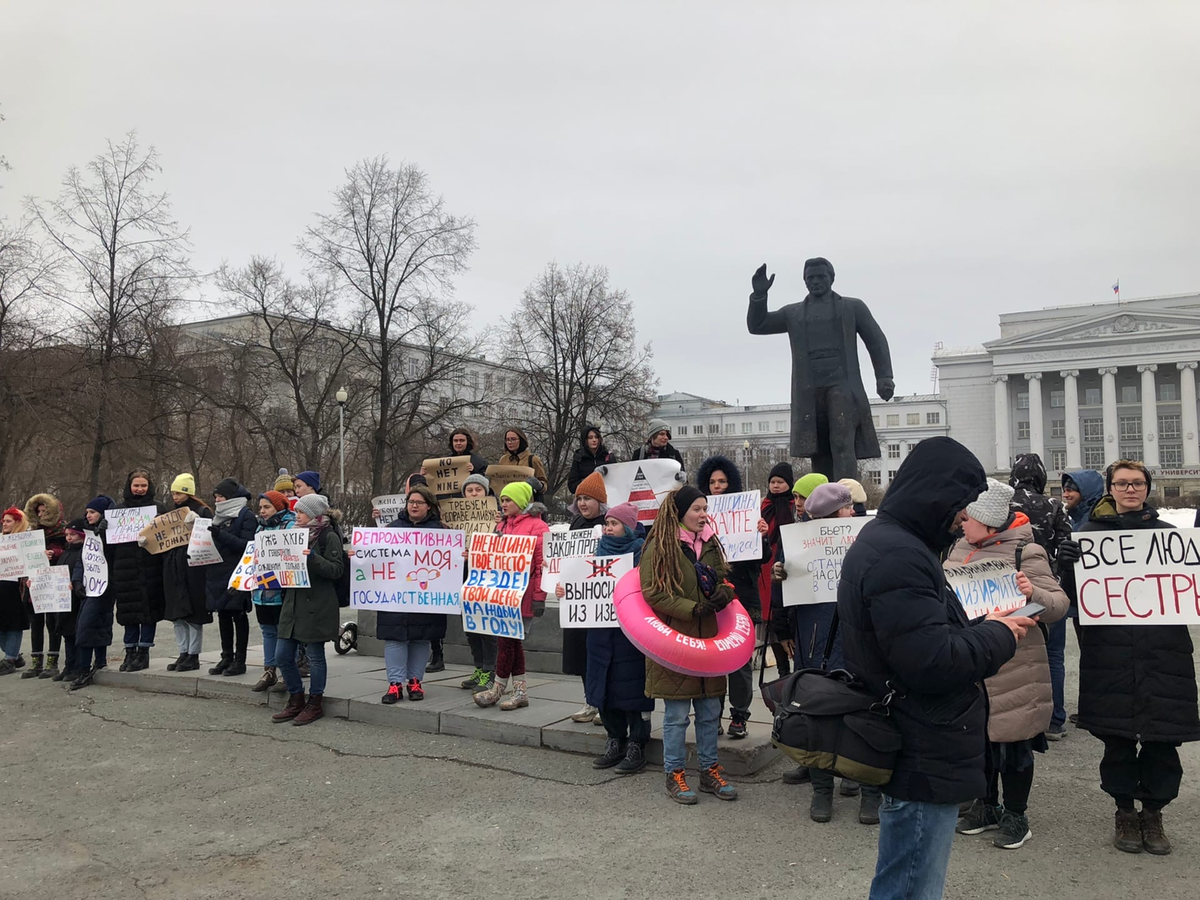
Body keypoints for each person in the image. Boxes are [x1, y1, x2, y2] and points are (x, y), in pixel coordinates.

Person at [837, 437, 1034, 900]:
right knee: (911, 886)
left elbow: (921, 638)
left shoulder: (895, 542)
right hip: (922, 745)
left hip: (915, 737)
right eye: (961, 507)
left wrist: (984, 625)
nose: (964, 520)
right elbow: (933, 662)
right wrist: (1000, 635)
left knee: (904, 876)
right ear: (935, 494)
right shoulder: (900, 554)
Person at [1057, 461, 1200, 856]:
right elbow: (1075, 599)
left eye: (1137, 483)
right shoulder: (1090, 535)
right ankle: (1124, 810)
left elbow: (1187, 591)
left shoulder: (1170, 537)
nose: (1130, 489)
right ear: (1111, 489)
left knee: (1162, 739)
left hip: (1164, 653)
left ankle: (1153, 813)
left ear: (1147, 488)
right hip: (1111, 652)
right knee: (1116, 738)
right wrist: (1065, 565)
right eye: (1122, 483)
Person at [946, 479, 1069, 850]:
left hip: (1015, 665)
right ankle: (986, 806)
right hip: (972, 661)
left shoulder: (1025, 551)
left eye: (967, 519)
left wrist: (1033, 596)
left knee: (1013, 745)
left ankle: (1017, 814)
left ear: (986, 522)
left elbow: (1058, 606)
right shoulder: (958, 547)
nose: (961, 523)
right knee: (979, 741)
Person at [774, 482, 882, 824]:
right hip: (815, 643)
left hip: (856, 640)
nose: (852, 512)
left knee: (864, 715)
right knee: (816, 714)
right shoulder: (798, 543)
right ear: (829, 514)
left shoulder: (865, 539)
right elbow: (787, 595)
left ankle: (869, 790)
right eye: (846, 508)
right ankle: (822, 790)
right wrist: (782, 574)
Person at [746, 257, 894, 480]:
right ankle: (826, 500)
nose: (815, 281)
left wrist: (884, 376)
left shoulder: (852, 307)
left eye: (820, 277)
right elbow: (758, 325)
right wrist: (759, 296)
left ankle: (847, 499)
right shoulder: (793, 313)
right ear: (804, 281)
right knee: (819, 448)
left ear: (831, 278)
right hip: (809, 388)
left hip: (842, 384)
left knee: (842, 442)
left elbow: (876, 340)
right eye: (810, 278)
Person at [640, 485, 738, 804]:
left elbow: (720, 577)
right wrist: (690, 609)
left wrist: (724, 591)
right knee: (677, 714)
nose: (703, 514)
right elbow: (653, 592)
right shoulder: (661, 545)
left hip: (709, 639)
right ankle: (675, 773)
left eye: (705, 508)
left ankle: (710, 770)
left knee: (710, 710)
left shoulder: (710, 542)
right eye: (697, 508)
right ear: (679, 512)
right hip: (675, 641)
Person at [696, 454, 764, 740]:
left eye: (722, 481)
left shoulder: (746, 514)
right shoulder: (697, 516)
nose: (717, 486)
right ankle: (714, 715)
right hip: (710, 596)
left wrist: (763, 536)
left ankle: (740, 715)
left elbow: (763, 558)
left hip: (742, 596)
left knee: (739, 661)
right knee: (713, 660)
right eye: (712, 482)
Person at [584, 502, 652, 774]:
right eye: (607, 524)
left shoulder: (641, 553)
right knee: (604, 687)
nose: (608, 528)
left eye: (613, 524)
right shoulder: (593, 553)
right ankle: (615, 738)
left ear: (628, 527)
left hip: (629, 633)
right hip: (600, 631)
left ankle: (637, 743)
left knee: (632, 688)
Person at [473, 481, 549, 710]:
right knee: (509, 641)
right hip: (502, 595)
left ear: (522, 502)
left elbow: (540, 566)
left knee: (508, 641)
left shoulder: (538, 527)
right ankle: (517, 691)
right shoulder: (502, 527)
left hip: (523, 596)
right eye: (502, 500)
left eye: (509, 500)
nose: (504, 504)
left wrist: (539, 597)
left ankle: (499, 688)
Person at [271, 492, 345, 726]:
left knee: (315, 656)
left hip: (317, 604)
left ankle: (315, 702)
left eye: (301, 511)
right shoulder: (293, 534)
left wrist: (311, 557)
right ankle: (295, 699)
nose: (297, 514)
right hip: (293, 604)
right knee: (282, 655)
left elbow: (336, 570)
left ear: (314, 513)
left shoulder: (328, 536)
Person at [1046, 468, 1105, 738]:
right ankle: (1092, 708)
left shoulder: (1097, 520)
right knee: (1090, 656)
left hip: (1099, 601)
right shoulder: (1076, 518)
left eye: (1072, 489)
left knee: (1097, 656)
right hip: (1081, 599)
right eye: (1065, 488)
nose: (1066, 493)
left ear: (1088, 492)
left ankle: (1098, 710)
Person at [377, 484, 449, 703]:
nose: (414, 506)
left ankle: (415, 681)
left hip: (426, 599)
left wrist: (461, 558)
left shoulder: (442, 531)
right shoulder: (391, 529)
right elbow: (375, 558)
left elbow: (451, 569)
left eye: (419, 502)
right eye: (411, 502)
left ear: (429, 506)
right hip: (395, 599)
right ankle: (395, 684)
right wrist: (359, 555)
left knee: (421, 639)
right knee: (394, 640)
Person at [563, 471, 608, 724]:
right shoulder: (576, 524)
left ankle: (603, 703)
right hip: (577, 599)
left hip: (599, 600)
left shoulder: (607, 523)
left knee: (598, 653)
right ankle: (590, 700)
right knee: (580, 654)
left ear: (599, 501)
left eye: (588, 498)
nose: (582, 503)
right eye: (579, 498)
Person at [110, 470, 167, 672]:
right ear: (129, 486)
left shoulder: (158, 508)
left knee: (149, 612)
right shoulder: (119, 510)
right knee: (129, 612)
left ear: (149, 486)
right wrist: (103, 529)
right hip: (126, 569)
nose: (140, 489)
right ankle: (130, 652)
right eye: (136, 485)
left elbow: (167, 537)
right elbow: (109, 545)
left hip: (151, 566)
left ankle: (144, 652)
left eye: (143, 485)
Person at [206, 479, 257, 677]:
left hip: (238, 572)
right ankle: (226, 656)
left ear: (232, 497)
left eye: (221, 496)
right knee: (223, 614)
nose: (218, 500)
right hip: (218, 570)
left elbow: (246, 545)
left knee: (238, 614)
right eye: (216, 497)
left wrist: (219, 535)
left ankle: (240, 659)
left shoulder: (246, 516)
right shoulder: (218, 516)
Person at [161, 474, 211, 673]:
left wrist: (200, 523)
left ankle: (193, 654)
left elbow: (210, 537)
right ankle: (183, 652)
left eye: (178, 492)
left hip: (194, 567)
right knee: (177, 614)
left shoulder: (201, 510)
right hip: (174, 566)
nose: (175, 496)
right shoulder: (172, 513)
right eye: (173, 492)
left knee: (193, 613)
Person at [250, 490, 296, 692]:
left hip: (282, 590)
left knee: (284, 633)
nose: (262, 511)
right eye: (260, 507)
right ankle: (269, 671)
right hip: (262, 590)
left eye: (267, 507)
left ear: (279, 507)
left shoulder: (290, 525)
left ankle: (288, 673)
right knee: (267, 631)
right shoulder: (260, 527)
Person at [70, 496, 116, 689]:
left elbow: (113, 557)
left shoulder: (111, 534)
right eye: (87, 512)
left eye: (92, 512)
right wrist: (77, 580)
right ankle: (97, 663)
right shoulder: (89, 535)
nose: (88, 516)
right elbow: (83, 560)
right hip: (89, 586)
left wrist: (104, 535)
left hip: (105, 586)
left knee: (89, 624)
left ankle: (85, 668)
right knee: (91, 623)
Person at [458, 474, 498, 695]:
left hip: (487, 578)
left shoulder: (495, 518)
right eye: (469, 490)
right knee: (469, 626)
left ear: (486, 492)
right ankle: (479, 667)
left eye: (478, 490)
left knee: (486, 627)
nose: (474, 494)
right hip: (464, 577)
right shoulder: (455, 518)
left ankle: (490, 672)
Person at [20, 492, 67, 678]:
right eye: (38, 512)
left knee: (52, 622)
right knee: (36, 622)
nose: (41, 515)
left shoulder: (62, 530)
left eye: (44, 511)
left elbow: (69, 549)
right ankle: (36, 661)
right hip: (34, 581)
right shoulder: (31, 532)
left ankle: (52, 661)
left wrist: (53, 552)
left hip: (54, 581)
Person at [757, 462, 795, 680]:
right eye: (772, 482)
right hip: (767, 566)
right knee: (771, 618)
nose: (776, 486)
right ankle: (782, 669)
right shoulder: (763, 506)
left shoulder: (795, 504)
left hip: (788, 565)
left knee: (788, 614)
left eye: (780, 482)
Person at [1007, 453, 1071, 565]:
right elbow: (1065, 546)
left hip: (1006, 574)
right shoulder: (1054, 505)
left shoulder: (1003, 503)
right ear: (1041, 476)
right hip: (1044, 571)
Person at [52, 519, 88, 682]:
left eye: (72, 534)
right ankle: (69, 665)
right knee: (67, 634)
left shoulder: (84, 552)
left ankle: (79, 666)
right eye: (67, 535)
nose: (69, 538)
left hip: (77, 598)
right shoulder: (66, 553)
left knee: (76, 634)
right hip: (64, 599)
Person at [0, 508, 31, 676]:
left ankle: (10, 658)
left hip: (15, 586)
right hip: (1, 584)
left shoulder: (26, 540)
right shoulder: (1, 539)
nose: (4, 524)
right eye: (3, 521)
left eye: (8, 521)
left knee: (13, 623)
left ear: (18, 523)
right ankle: (14, 655)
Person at [496, 428, 549, 501]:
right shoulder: (503, 459)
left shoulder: (533, 459)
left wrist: (538, 485)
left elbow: (544, 486)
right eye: (507, 440)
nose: (509, 442)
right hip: (508, 502)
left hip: (528, 503)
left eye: (513, 439)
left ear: (521, 440)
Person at [567, 424, 618, 494]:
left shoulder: (608, 457)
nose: (594, 440)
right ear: (585, 440)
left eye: (596, 437)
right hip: (586, 499)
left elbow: (617, 482)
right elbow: (572, 487)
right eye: (590, 438)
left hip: (606, 498)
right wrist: (590, 479)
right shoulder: (579, 458)